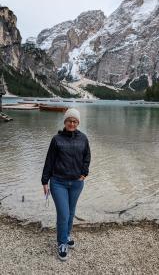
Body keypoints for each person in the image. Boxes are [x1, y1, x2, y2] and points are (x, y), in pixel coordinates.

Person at [41, 107, 91, 261]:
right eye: (69, 120)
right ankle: (62, 242)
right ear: (65, 121)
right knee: (63, 213)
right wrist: (45, 181)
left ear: (78, 123)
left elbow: (87, 157)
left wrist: (84, 172)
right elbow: (49, 160)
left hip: (76, 183)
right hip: (58, 182)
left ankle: (67, 234)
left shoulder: (83, 138)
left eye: (75, 121)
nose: (72, 123)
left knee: (70, 212)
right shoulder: (56, 140)